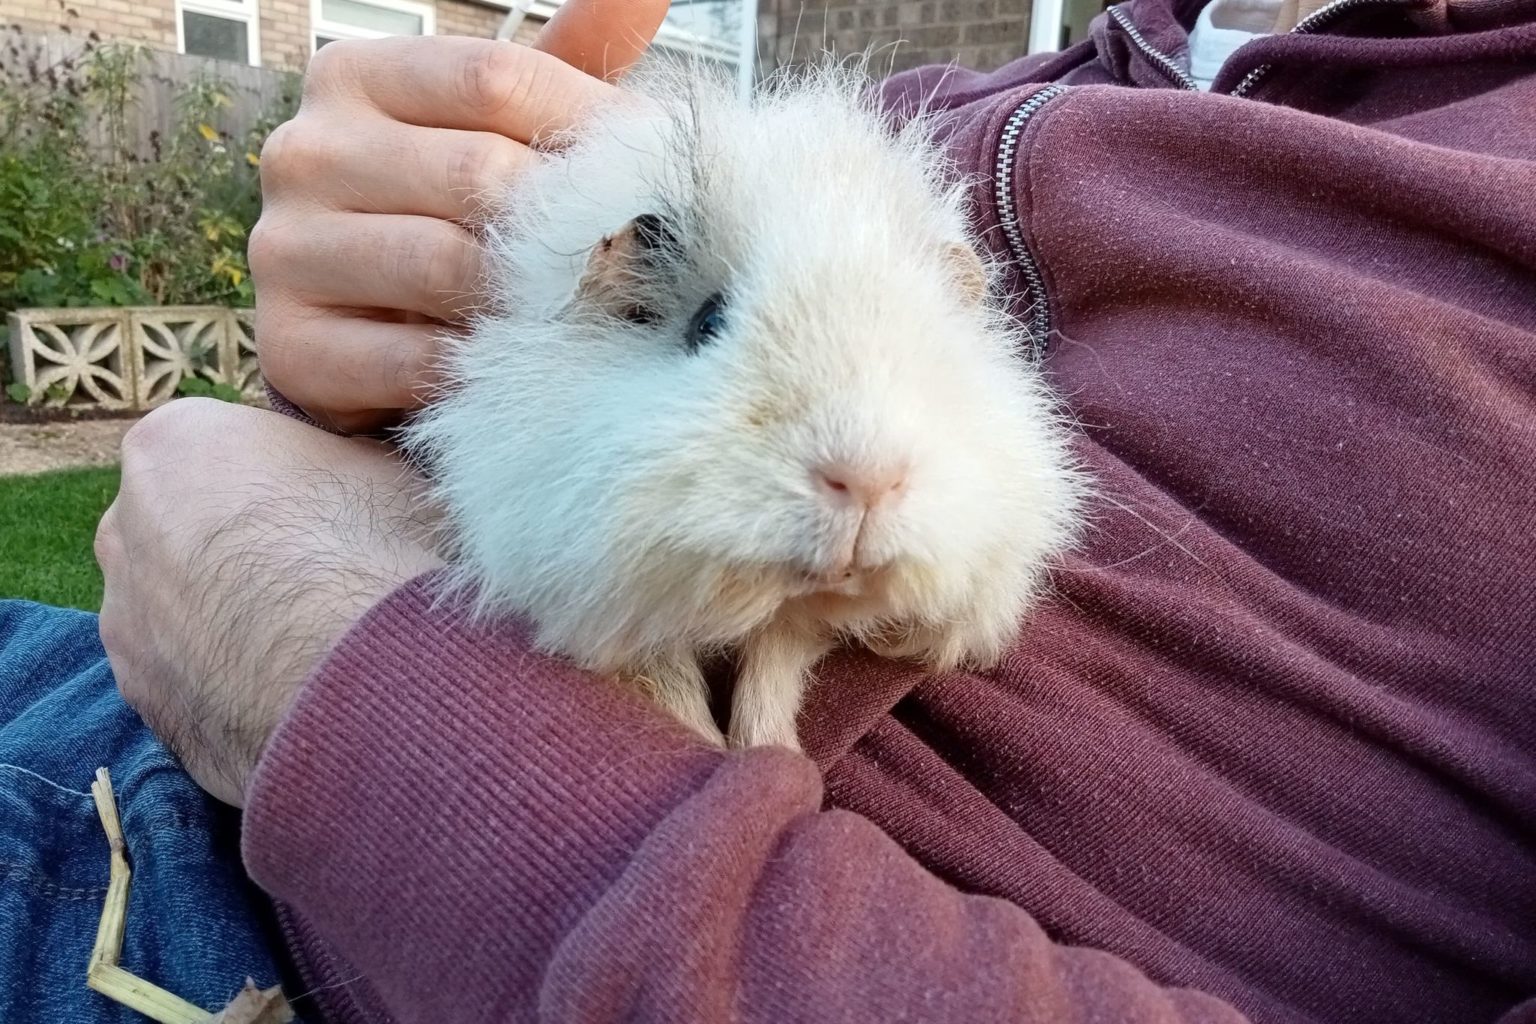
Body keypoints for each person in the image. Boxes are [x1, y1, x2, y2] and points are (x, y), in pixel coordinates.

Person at [2, 0, 1532, 1017]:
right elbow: (494, 434)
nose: (862, 460)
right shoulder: (1000, 94)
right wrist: (373, 336)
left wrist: (317, 657)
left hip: (222, 918)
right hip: (134, 718)